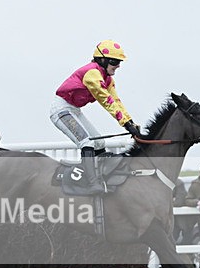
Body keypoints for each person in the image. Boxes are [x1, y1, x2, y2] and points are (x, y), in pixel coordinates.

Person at [50, 40, 141, 195]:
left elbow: (116, 101)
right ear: (102, 60)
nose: (118, 65)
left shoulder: (108, 79)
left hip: (74, 110)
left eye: (119, 62)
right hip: (61, 110)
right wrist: (125, 124)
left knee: (99, 142)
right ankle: (92, 183)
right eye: (114, 61)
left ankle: (101, 175)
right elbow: (105, 99)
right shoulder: (92, 73)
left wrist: (130, 122)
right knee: (86, 142)